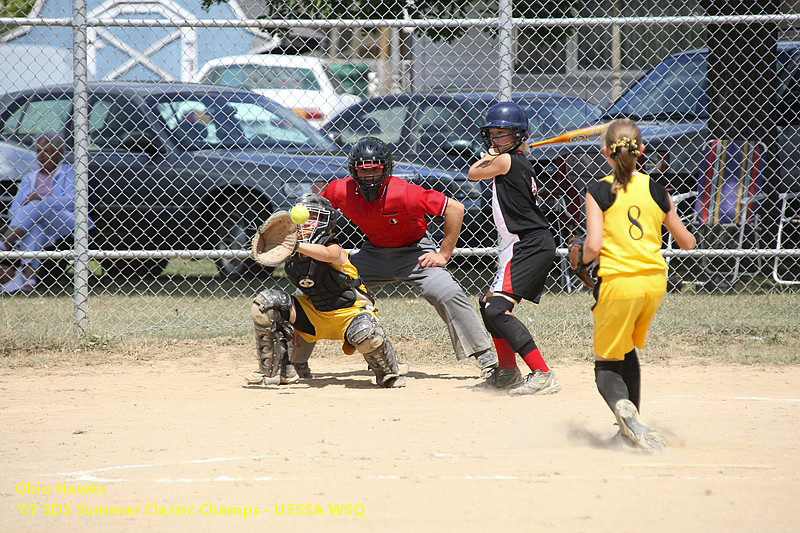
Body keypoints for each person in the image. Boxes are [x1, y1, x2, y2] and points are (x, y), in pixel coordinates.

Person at [298, 136, 499, 383]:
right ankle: (295, 362)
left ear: (387, 169)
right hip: (373, 253)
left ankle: (486, 358)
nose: (369, 177)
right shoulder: (342, 189)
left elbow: (455, 208)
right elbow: (315, 208)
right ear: (353, 171)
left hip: (415, 253)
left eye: (375, 171)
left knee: (447, 292)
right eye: (363, 171)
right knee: (320, 287)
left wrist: (443, 254)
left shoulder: (404, 192)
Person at [580, 118, 695, 452]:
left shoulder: (599, 189)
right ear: (641, 151)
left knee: (606, 364)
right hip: (653, 284)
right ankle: (632, 430)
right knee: (626, 349)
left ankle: (622, 410)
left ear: (605, 152)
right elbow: (687, 242)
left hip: (618, 283)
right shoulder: (658, 190)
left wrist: (582, 260)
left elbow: (593, 245)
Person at [244, 193, 406, 389]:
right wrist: (289, 320)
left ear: (326, 222)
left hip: (349, 315)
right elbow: (305, 287)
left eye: (313, 218)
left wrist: (296, 245)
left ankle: (387, 371)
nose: (306, 222)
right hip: (314, 315)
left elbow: (330, 255)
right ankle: (277, 370)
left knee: (366, 335)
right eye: (303, 217)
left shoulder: (331, 246)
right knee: (266, 303)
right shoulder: (294, 254)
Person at [467, 102, 560, 396]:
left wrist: (492, 156)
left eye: (503, 134)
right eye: (492, 134)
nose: (496, 140)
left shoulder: (507, 161)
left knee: (497, 310)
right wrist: (498, 153)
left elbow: (472, 173)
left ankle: (542, 373)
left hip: (528, 243)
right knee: (488, 305)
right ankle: (507, 373)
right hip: (517, 244)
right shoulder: (510, 159)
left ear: (519, 136)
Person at [0, 132, 78, 294]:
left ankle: (5, 243)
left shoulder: (69, 173)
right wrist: (30, 213)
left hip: (65, 221)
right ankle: (29, 280)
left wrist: (42, 199)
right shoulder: (29, 177)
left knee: (37, 205)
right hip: (35, 226)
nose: (41, 156)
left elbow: (74, 202)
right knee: (36, 229)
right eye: (38, 151)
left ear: (58, 153)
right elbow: (14, 209)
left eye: (47, 151)